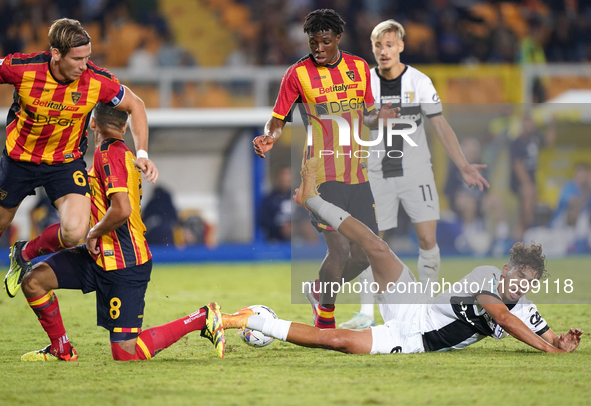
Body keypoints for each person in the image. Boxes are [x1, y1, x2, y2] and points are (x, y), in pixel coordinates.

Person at [222, 158, 583, 355]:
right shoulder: (487, 276)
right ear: (507, 269)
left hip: (413, 338)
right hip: (415, 303)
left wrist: (560, 342)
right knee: (378, 247)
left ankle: (249, 320)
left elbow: (547, 334)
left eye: (530, 282)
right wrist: (549, 351)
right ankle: (313, 198)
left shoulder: (526, 308)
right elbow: (503, 319)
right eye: (519, 275)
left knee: (337, 342)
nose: (522, 284)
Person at [17, 103, 224, 362]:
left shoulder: (109, 153)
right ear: (125, 127)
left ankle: (202, 318)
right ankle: (62, 348)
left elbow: (121, 210)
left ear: (92, 124)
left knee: (126, 354)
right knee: (34, 282)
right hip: (97, 256)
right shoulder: (123, 154)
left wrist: (91, 232)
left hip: (126, 261)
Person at [252, 9, 398, 329]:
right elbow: (278, 118)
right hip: (319, 175)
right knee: (340, 247)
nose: (318, 48)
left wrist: (382, 117)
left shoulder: (359, 68)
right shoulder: (297, 74)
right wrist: (270, 137)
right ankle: (326, 321)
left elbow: (369, 115)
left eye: (325, 42)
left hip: (358, 175)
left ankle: (320, 292)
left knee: (363, 255)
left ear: (338, 39)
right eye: (313, 42)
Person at [340, 20, 489, 329]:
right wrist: (373, 118)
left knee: (426, 238)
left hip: (416, 171)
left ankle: (428, 308)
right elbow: (359, 119)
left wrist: (462, 164)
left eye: (390, 45)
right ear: (373, 48)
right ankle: (366, 314)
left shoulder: (420, 82)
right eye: (379, 46)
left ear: (401, 46)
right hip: (378, 172)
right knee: (371, 242)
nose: (384, 51)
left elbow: (440, 124)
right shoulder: (365, 81)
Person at [2, 18, 158, 298]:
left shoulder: (96, 81)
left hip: (64, 163)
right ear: (56, 54)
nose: (84, 65)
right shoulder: (23, 68)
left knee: (75, 232)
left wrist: (143, 153)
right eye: (77, 59)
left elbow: (137, 105)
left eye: (87, 57)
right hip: (18, 161)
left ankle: (24, 253)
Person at [510, 115, 555, 240]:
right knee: (526, 212)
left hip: (531, 182)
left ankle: (520, 238)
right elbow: (517, 165)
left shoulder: (535, 139)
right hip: (520, 182)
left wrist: (552, 125)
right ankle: (520, 238)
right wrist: (528, 184)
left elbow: (549, 141)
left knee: (525, 212)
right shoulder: (516, 142)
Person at [260, 166, 292, 242]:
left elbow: (304, 216)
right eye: (282, 177)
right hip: (276, 238)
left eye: (287, 177)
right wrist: (280, 227)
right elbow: (265, 220)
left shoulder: (298, 197)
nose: (284, 180)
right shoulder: (270, 199)